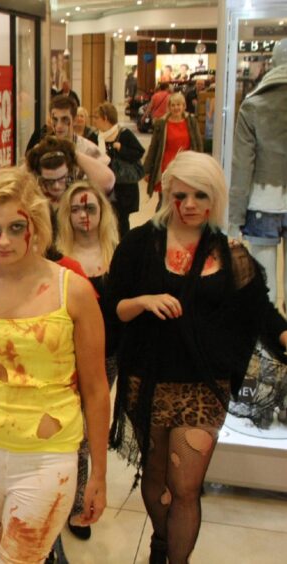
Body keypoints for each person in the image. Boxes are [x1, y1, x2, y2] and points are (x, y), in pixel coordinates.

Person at [106, 152, 287, 564]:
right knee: (155, 476)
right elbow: (113, 307)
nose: (188, 204)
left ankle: (176, 559)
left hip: (204, 389)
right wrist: (143, 300)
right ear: (167, 193)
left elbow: (261, 312)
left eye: (200, 195)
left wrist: (283, 334)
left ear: (215, 199)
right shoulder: (139, 244)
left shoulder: (230, 254)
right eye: (180, 194)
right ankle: (161, 539)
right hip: (147, 380)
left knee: (185, 486)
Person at [0, 168, 109, 563]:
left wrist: (97, 474)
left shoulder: (74, 291)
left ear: (37, 225)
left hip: (49, 455)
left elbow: (96, 390)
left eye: (17, 227)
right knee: (3, 553)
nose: (3, 241)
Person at [55, 181, 120, 541]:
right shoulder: (57, 255)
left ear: (102, 213)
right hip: (63, 357)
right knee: (71, 429)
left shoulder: (116, 254)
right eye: (77, 209)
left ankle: (81, 497)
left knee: (88, 427)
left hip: (106, 355)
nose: (84, 215)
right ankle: (71, 497)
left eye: (91, 209)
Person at [229, 40, 287, 305]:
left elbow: (242, 167)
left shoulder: (253, 105)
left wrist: (234, 219)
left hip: (263, 201)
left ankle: (268, 341)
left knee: (265, 279)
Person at [94, 102, 146, 236]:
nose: (94, 121)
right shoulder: (97, 137)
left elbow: (139, 152)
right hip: (105, 187)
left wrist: (121, 148)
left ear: (105, 118)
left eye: (96, 117)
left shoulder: (124, 134)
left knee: (122, 222)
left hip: (124, 187)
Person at [144, 92, 204, 207]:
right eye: (173, 105)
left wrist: (200, 165)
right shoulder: (161, 123)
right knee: (164, 202)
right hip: (166, 168)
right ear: (169, 107)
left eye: (179, 105)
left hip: (185, 167)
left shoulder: (191, 121)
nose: (176, 108)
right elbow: (154, 147)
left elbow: (198, 144)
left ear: (184, 106)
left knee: (183, 198)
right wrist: (147, 170)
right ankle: (161, 223)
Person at [26, 95, 108, 165]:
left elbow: (107, 179)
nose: (59, 126)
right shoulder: (44, 148)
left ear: (75, 120)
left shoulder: (89, 150)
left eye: (65, 119)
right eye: (55, 119)